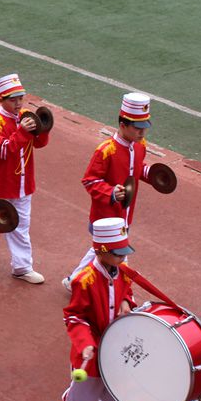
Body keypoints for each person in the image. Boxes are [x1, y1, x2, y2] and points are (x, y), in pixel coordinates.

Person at [54, 217, 136, 401]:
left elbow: (128, 293)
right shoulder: (84, 280)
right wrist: (85, 343)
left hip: (115, 350)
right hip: (89, 353)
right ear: (101, 252)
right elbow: (75, 316)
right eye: (117, 253)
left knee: (117, 400)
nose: (123, 258)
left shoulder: (123, 272)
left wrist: (126, 303)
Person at [65, 92, 154, 291]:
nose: (142, 133)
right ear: (123, 125)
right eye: (138, 128)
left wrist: (152, 174)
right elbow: (89, 181)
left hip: (125, 215)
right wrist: (111, 192)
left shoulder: (140, 146)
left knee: (101, 252)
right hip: (105, 216)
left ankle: (75, 281)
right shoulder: (106, 150)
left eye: (144, 128)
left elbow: (138, 167)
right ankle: (122, 294)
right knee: (116, 255)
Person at [0, 74, 50, 284]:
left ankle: (22, 267)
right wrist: (23, 131)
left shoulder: (25, 116)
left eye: (20, 98)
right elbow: (5, 151)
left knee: (20, 225)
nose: (18, 103)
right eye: (13, 99)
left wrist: (42, 131)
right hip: (1, 185)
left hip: (23, 184)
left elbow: (39, 145)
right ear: (1, 100)